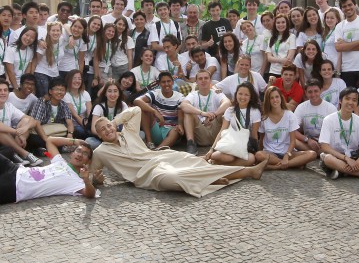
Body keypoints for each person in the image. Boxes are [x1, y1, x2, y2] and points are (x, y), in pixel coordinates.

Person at [92, 108, 266, 197]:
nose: (107, 130)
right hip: (147, 173)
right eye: (102, 129)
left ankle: (249, 171)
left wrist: (114, 121)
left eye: (108, 126)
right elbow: (93, 174)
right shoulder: (100, 152)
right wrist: (96, 180)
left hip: (159, 156)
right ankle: (212, 178)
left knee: (197, 160)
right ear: (99, 135)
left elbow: (136, 110)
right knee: (174, 178)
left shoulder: (128, 131)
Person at [318, 88, 359, 181]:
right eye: (347, 99)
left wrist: (357, 162)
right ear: (340, 101)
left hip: (354, 155)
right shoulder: (329, 119)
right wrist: (346, 158)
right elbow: (324, 146)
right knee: (328, 159)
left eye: (354, 100)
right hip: (337, 155)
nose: (350, 102)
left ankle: (341, 171)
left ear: (357, 104)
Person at [255, 86, 318, 170]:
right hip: (270, 152)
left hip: (288, 152)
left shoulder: (289, 115)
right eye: (271, 98)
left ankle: (277, 166)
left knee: (312, 154)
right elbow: (261, 140)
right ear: (268, 101)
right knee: (259, 155)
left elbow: (293, 141)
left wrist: (286, 155)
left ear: (281, 98)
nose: (275, 100)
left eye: (277, 97)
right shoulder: (264, 118)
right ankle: (292, 164)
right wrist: (259, 154)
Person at [0, 80, 45, 166]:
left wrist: (24, 129)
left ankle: (15, 154)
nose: (3, 93)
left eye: (5, 90)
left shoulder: (9, 106)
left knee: (26, 121)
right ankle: (25, 154)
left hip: (9, 140)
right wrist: (16, 132)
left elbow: (32, 120)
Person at [205, 82, 261, 167]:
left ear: (251, 97)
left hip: (245, 146)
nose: (242, 97)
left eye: (246, 95)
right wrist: (211, 149)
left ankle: (219, 164)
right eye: (240, 94)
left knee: (251, 159)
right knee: (228, 158)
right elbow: (222, 130)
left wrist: (256, 151)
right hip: (230, 144)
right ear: (236, 94)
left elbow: (254, 134)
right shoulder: (230, 110)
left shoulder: (255, 111)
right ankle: (227, 164)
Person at [180, 69, 229, 155]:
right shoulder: (193, 95)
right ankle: (191, 143)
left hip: (215, 128)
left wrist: (214, 114)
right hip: (200, 130)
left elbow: (227, 103)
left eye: (206, 78)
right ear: (196, 82)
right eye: (200, 78)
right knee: (188, 113)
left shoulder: (216, 93)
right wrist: (202, 113)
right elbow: (183, 105)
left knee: (225, 113)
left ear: (210, 80)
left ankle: (225, 143)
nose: (203, 81)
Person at [136, 71, 185, 150]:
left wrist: (180, 124)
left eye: (168, 81)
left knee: (176, 131)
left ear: (172, 82)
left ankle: (157, 150)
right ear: (159, 83)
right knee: (144, 109)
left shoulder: (179, 96)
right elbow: (137, 100)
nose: (166, 84)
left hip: (170, 131)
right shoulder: (155, 93)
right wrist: (154, 111)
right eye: (163, 82)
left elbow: (181, 112)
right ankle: (149, 142)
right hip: (156, 128)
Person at [293, 79, 337, 157]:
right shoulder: (301, 107)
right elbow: (292, 129)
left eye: (316, 91)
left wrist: (323, 141)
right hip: (308, 142)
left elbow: (336, 130)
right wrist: (307, 139)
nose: (313, 94)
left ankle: (311, 154)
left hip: (325, 143)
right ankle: (316, 154)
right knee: (292, 140)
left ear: (321, 90)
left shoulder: (330, 108)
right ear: (306, 93)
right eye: (310, 92)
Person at [264, 14, 296, 79]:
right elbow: (269, 58)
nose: (280, 25)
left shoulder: (291, 36)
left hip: (286, 72)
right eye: (278, 23)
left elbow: (289, 58)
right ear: (275, 24)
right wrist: (281, 60)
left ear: (287, 24)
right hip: (273, 72)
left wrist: (276, 60)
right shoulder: (271, 38)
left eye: (283, 22)